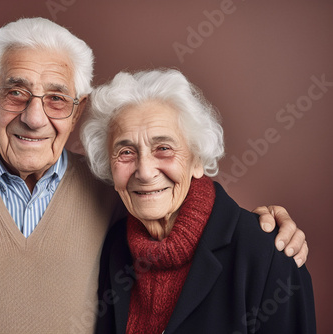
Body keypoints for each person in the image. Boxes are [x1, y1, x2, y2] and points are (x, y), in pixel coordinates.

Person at [0, 18, 307, 333]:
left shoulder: (109, 192)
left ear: (77, 110)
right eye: (15, 92)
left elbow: (192, 216)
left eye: (55, 98)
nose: (34, 117)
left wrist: (269, 226)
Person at [81, 69, 316, 334]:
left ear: (197, 160)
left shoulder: (268, 254)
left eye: (164, 148)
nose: (145, 172)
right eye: (126, 152)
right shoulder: (115, 247)